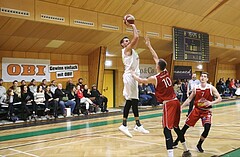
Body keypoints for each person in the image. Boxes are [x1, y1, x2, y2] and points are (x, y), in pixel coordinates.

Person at [132, 37, 191, 157]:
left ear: (158, 66)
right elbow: (156, 57)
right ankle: (186, 150)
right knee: (175, 127)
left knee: (166, 129)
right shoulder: (166, 72)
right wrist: (149, 45)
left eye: (156, 63)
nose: (155, 63)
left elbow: (142, 80)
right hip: (175, 102)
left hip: (168, 103)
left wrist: (132, 74)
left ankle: (171, 155)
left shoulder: (156, 78)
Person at [172, 72, 222, 153]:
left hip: (206, 111)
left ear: (207, 79)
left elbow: (220, 98)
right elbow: (189, 99)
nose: (202, 78)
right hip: (196, 110)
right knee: (185, 128)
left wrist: (211, 103)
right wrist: (181, 107)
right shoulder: (196, 88)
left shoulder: (211, 88)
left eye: (205, 76)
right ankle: (176, 141)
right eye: (202, 76)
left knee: (207, 128)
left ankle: (199, 145)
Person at [118, 19, 149, 138]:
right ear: (122, 44)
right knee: (132, 100)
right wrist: (133, 25)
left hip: (133, 77)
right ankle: (127, 125)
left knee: (132, 101)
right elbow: (136, 37)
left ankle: (134, 124)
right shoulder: (126, 50)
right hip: (129, 76)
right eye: (125, 41)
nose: (127, 41)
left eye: (127, 40)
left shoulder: (132, 50)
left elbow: (135, 40)